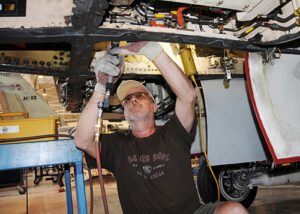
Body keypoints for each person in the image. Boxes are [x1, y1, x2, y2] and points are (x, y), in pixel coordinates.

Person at [74, 42, 248, 214]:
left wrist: (154, 52)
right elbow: (82, 140)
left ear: (155, 106)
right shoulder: (117, 146)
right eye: (127, 99)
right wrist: (101, 87)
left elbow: (188, 96)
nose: (133, 100)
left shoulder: (174, 134)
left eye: (140, 95)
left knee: (235, 211)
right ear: (124, 112)